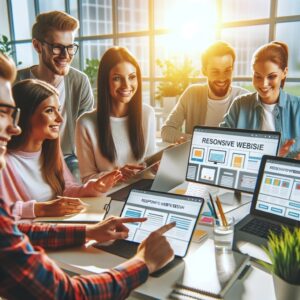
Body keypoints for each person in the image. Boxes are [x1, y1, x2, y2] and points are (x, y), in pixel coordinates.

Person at [0, 52, 175, 299]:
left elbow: (19, 228)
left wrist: (88, 231)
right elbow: (67, 294)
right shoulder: (6, 164)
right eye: (3, 112)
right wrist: (143, 263)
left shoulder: (50, 151)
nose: (13, 127)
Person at [0, 79, 122, 219]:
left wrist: (92, 188)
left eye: (58, 109)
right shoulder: (4, 162)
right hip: (31, 236)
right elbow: (4, 215)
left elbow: (66, 190)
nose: (60, 119)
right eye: (50, 111)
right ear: (25, 116)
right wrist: (39, 209)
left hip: (56, 228)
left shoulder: (50, 152)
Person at [16, 10, 94, 178]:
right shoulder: (15, 82)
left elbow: (87, 135)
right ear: (37, 46)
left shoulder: (80, 82)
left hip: (67, 158)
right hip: (23, 159)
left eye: (70, 47)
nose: (65, 56)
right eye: (57, 47)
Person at [76, 46, 156, 183]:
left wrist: (158, 166)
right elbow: (87, 179)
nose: (126, 85)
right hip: (108, 197)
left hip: (142, 192)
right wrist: (116, 175)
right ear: (105, 81)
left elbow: (148, 167)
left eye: (132, 77)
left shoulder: (147, 114)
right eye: (117, 78)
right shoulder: (85, 123)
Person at [220, 41, 300, 159]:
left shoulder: (297, 108)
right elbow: (220, 142)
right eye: (258, 76)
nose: (263, 84)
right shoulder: (239, 105)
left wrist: (288, 158)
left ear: (284, 73)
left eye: (272, 76)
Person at [161, 41, 249, 143]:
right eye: (215, 71)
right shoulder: (192, 94)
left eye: (227, 70)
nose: (222, 78)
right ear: (204, 71)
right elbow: (166, 130)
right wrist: (202, 142)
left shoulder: (245, 98)